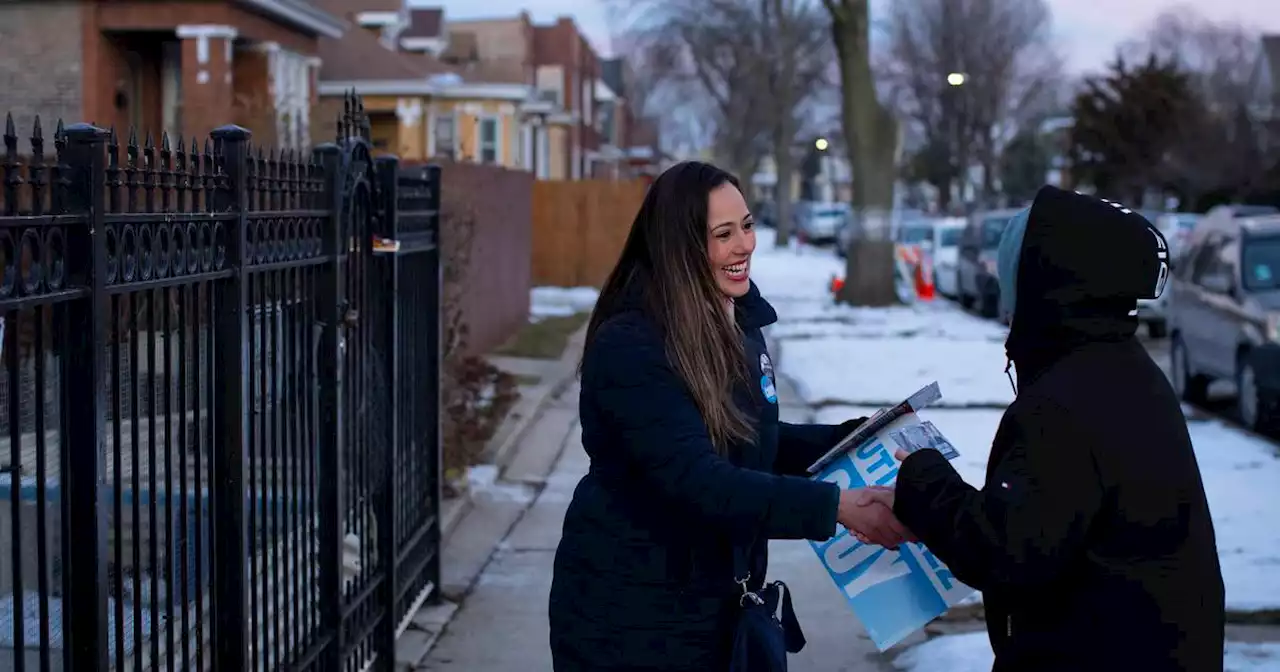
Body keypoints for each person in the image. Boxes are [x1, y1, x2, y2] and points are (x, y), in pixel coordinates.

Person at [547, 161, 909, 671]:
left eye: (747, 225)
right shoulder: (632, 345)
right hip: (633, 620)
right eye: (723, 234)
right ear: (683, 249)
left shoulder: (733, 321)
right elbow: (698, 480)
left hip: (712, 610)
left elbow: (747, 440)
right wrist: (835, 507)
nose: (744, 245)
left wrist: (851, 439)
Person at [890, 186, 1226, 671]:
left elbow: (1006, 552)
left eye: (1013, 276)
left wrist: (922, 478)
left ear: (1046, 284)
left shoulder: (1063, 406)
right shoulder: (1124, 369)